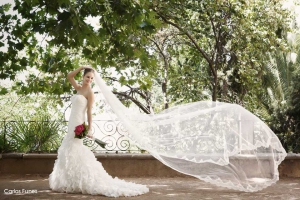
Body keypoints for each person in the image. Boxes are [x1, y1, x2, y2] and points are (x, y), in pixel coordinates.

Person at [49, 66, 149, 197]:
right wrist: (81, 68)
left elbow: (89, 112)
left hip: (79, 123)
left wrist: (89, 128)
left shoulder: (89, 93)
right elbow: (69, 76)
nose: (89, 79)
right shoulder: (79, 89)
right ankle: (68, 180)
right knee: (69, 149)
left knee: (74, 149)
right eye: (87, 77)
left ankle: (82, 179)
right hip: (71, 123)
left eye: (91, 78)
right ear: (83, 76)